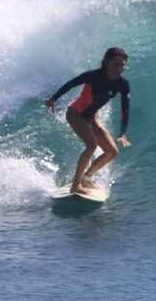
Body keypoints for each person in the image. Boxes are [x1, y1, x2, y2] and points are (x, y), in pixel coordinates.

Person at [45, 47, 132, 194]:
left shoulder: (122, 84)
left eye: (122, 65)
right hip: (75, 113)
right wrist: (53, 99)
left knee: (112, 151)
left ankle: (87, 178)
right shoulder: (94, 76)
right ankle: (76, 185)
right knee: (91, 145)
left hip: (92, 118)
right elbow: (72, 83)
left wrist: (122, 133)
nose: (119, 68)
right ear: (106, 62)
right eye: (115, 64)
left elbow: (125, 110)